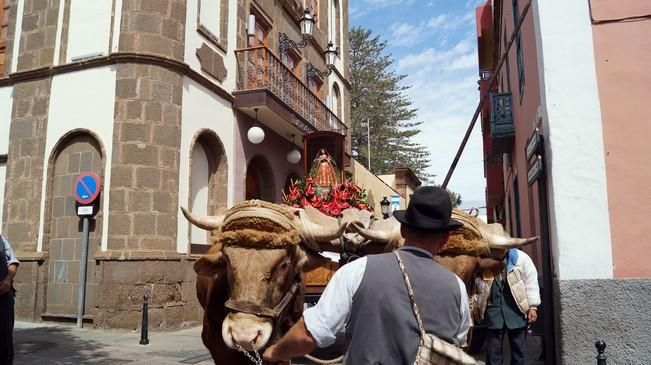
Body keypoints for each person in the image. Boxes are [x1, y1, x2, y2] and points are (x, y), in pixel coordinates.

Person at [263, 186, 470, 364]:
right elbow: (456, 344)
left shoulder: (357, 270)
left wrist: (275, 352)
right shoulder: (458, 287)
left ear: (404, 230)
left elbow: (309, 335)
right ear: (444, 239)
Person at [484, 247, 540, 365]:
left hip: (516, 312)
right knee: (493, 355)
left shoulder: (521, 259)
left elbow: (531, 282)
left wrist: (533, 307)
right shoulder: (484, 260)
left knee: (518, 353)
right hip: (494, 313)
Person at [0, 233, 19, 365]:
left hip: (3, 297)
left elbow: (12, 262)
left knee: (4, 339)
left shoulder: (1, 240)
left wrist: (7, 280)